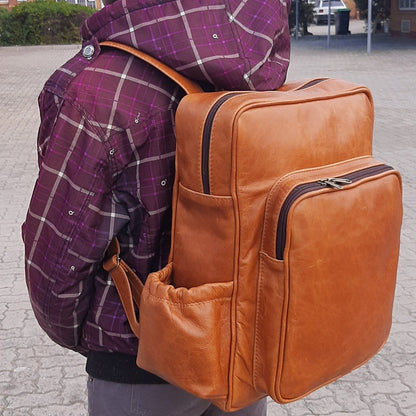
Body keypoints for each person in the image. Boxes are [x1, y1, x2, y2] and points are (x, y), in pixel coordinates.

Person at [22, 0, 291, 414]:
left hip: (139, 360)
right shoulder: (261, 52)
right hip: (244, 341)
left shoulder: (99, 91)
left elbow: (55, 265)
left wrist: (93, 338)